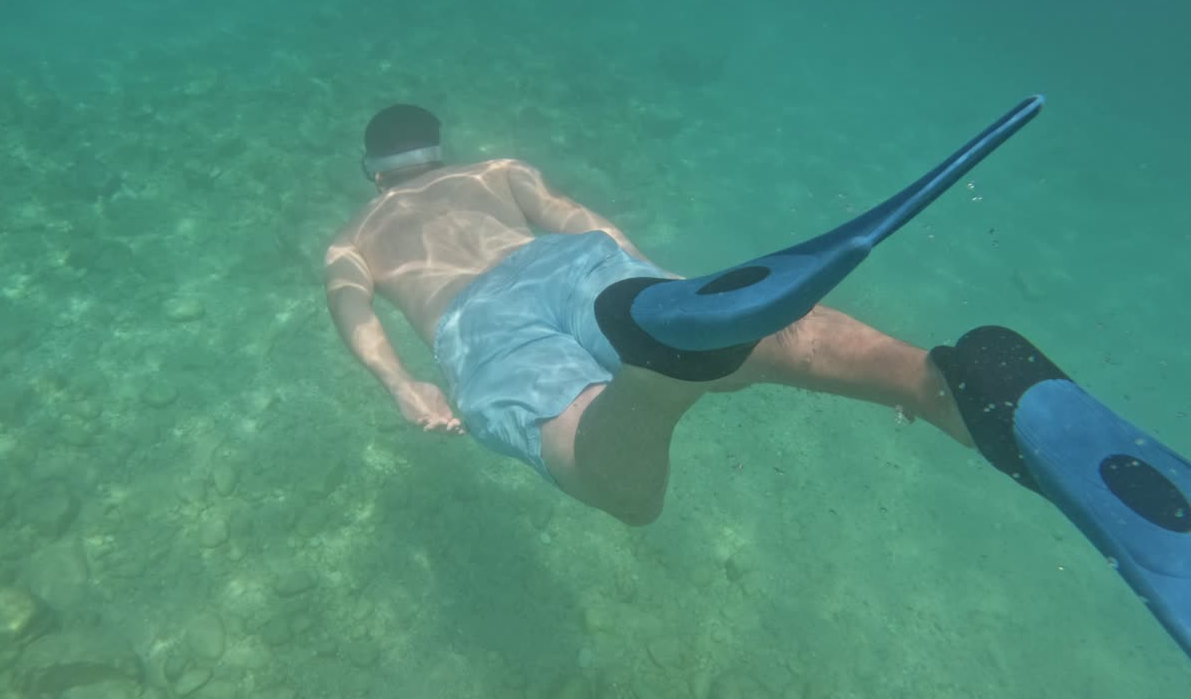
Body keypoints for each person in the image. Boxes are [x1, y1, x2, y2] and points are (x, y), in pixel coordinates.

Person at [325, 102, 1189, 656]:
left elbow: (356, 318)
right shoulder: (497, 171)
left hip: (475, 322)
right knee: (756, 333)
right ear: (438, 148)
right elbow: (581, 221)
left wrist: (405, 386)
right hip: (571, 265)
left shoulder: (355, 236)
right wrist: (660, 290)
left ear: (374, 172)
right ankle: (935, 381)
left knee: (617, 482)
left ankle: (657, 378)